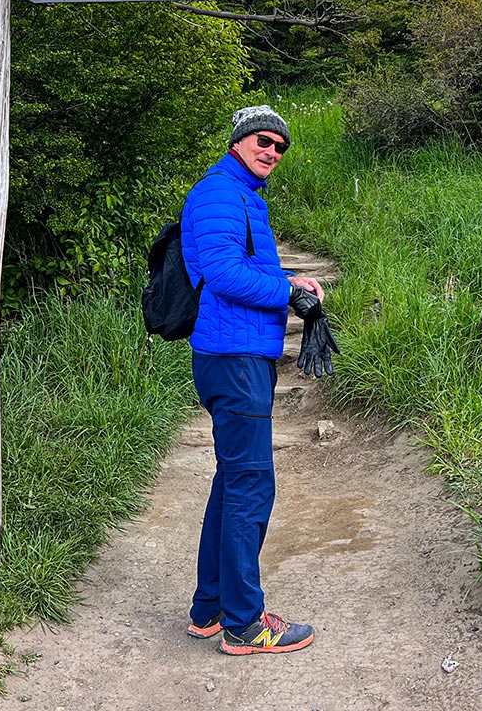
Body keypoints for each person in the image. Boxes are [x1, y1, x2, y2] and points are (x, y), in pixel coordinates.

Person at [180, 104, 325, 655]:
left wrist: (291, 279)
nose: (272, 150)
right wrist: (288, 295)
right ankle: (245, 624)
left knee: (232, 481)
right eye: (262, 140)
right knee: (251, 486)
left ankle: (211, 609)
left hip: (239, 355)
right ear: (239, 141)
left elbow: (242, 267)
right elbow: (220, 272)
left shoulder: (243, 196)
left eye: (280, 145)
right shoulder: (220, 192)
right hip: (234, 357)